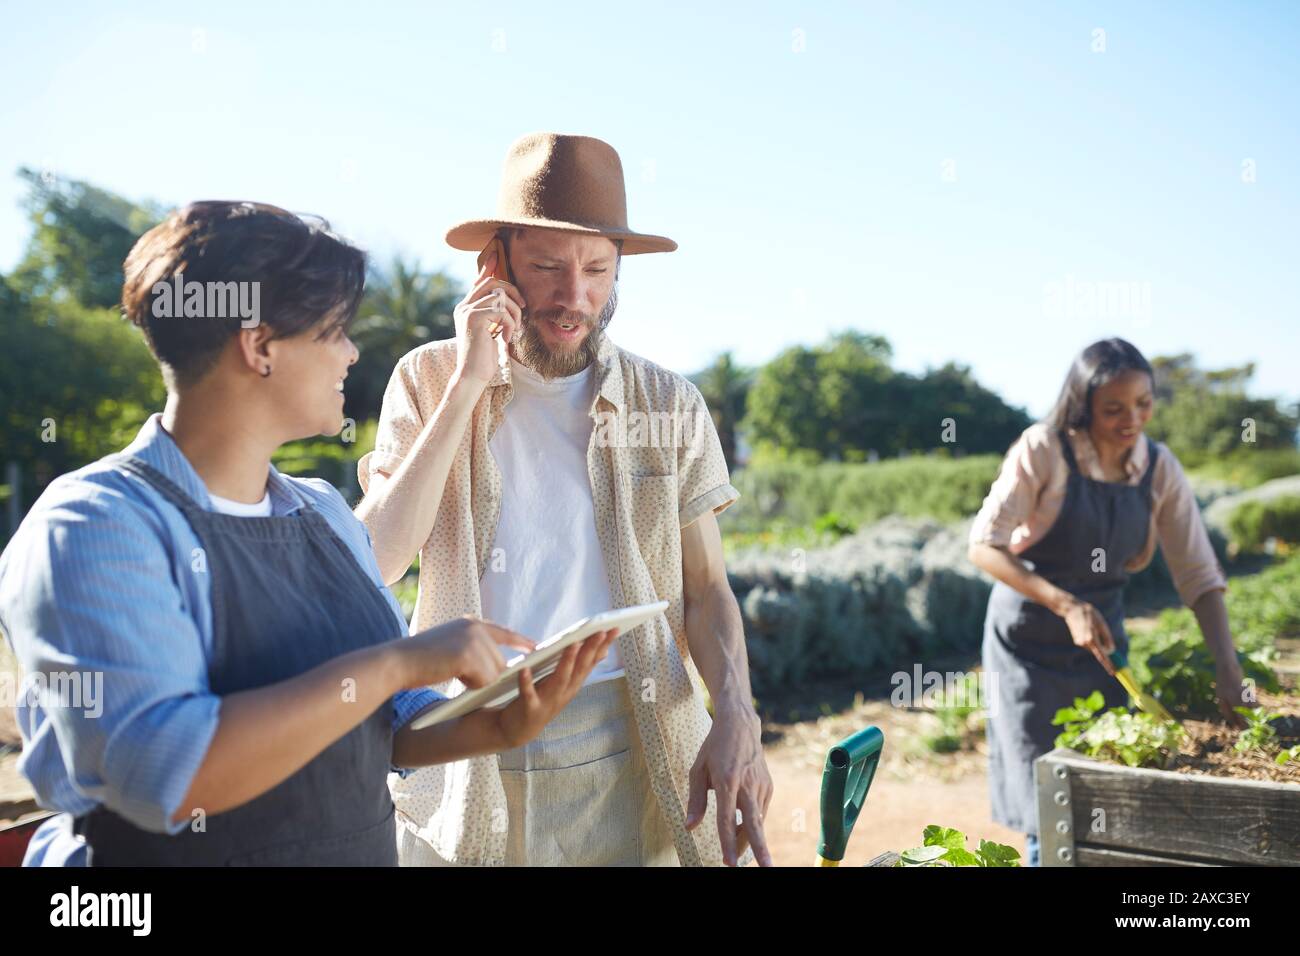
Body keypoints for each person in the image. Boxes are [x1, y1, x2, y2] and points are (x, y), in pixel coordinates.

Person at [0, 200, 615, 866]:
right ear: (259, 345)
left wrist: (496, 724)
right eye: (333, 332)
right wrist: (400, 662)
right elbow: (164, 774)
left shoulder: (320, 514)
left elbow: (384, 720)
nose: (352, 352)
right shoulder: (94, 527)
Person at [356, 132, 773, 867]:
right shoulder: (425, 379)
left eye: (597, 270)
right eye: (547, 266)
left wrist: (736, 712)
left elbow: (706, 592)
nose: (574, 297)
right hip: (461, 734)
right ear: (496, 266)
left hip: (628, 737)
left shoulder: (667, 402)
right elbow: (378, 561)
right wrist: (468, 384)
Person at [967, 337, 1250, 867]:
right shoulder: (1044, 448)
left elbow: (1200, 575)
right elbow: (983, 545)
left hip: (1102, 643)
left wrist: (1228, 668)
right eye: (1113, 409)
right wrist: (1065, 603)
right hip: (1030, 642)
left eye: (1143, 404)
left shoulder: (1158, 467)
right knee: (1045, 803)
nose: (1132, 420)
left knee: (1101, 793)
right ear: (1083, 404)